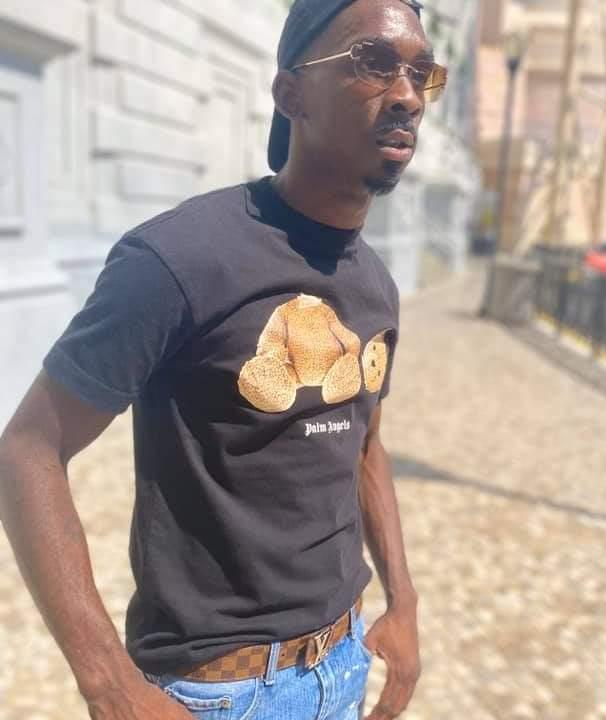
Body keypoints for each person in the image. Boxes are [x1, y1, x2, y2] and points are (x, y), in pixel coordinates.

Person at [0, 0, 447, 718]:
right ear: (291, 94)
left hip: (343, 661)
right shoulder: (181, 257)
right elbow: (28, 449)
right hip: (220, 691)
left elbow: (365, 444)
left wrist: (404, 602)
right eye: (373, 62)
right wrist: (109, 683)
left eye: (421, 73)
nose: (407, 95)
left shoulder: (375, 284)